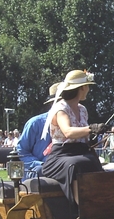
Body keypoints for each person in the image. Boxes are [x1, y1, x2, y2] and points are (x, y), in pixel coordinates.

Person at [41, 70, 110, 207]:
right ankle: (83, 208)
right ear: (82, 88)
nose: (89, 90)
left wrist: (93, 137)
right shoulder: (60, 108)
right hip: (61, 155)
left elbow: (82, 135)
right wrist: (92, 128)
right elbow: (68, 132)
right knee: (77, 164)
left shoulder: (83, 109)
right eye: (88, 86)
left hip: (81, 151)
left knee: (93, 162)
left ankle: (102, 206)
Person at [16, 82, 58, 179]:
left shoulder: (73, 125)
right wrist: (42, 165)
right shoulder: (35, 123)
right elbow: (21, 152)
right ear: (54, 103)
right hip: (37, 175)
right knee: (40, 170)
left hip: (62, 170)